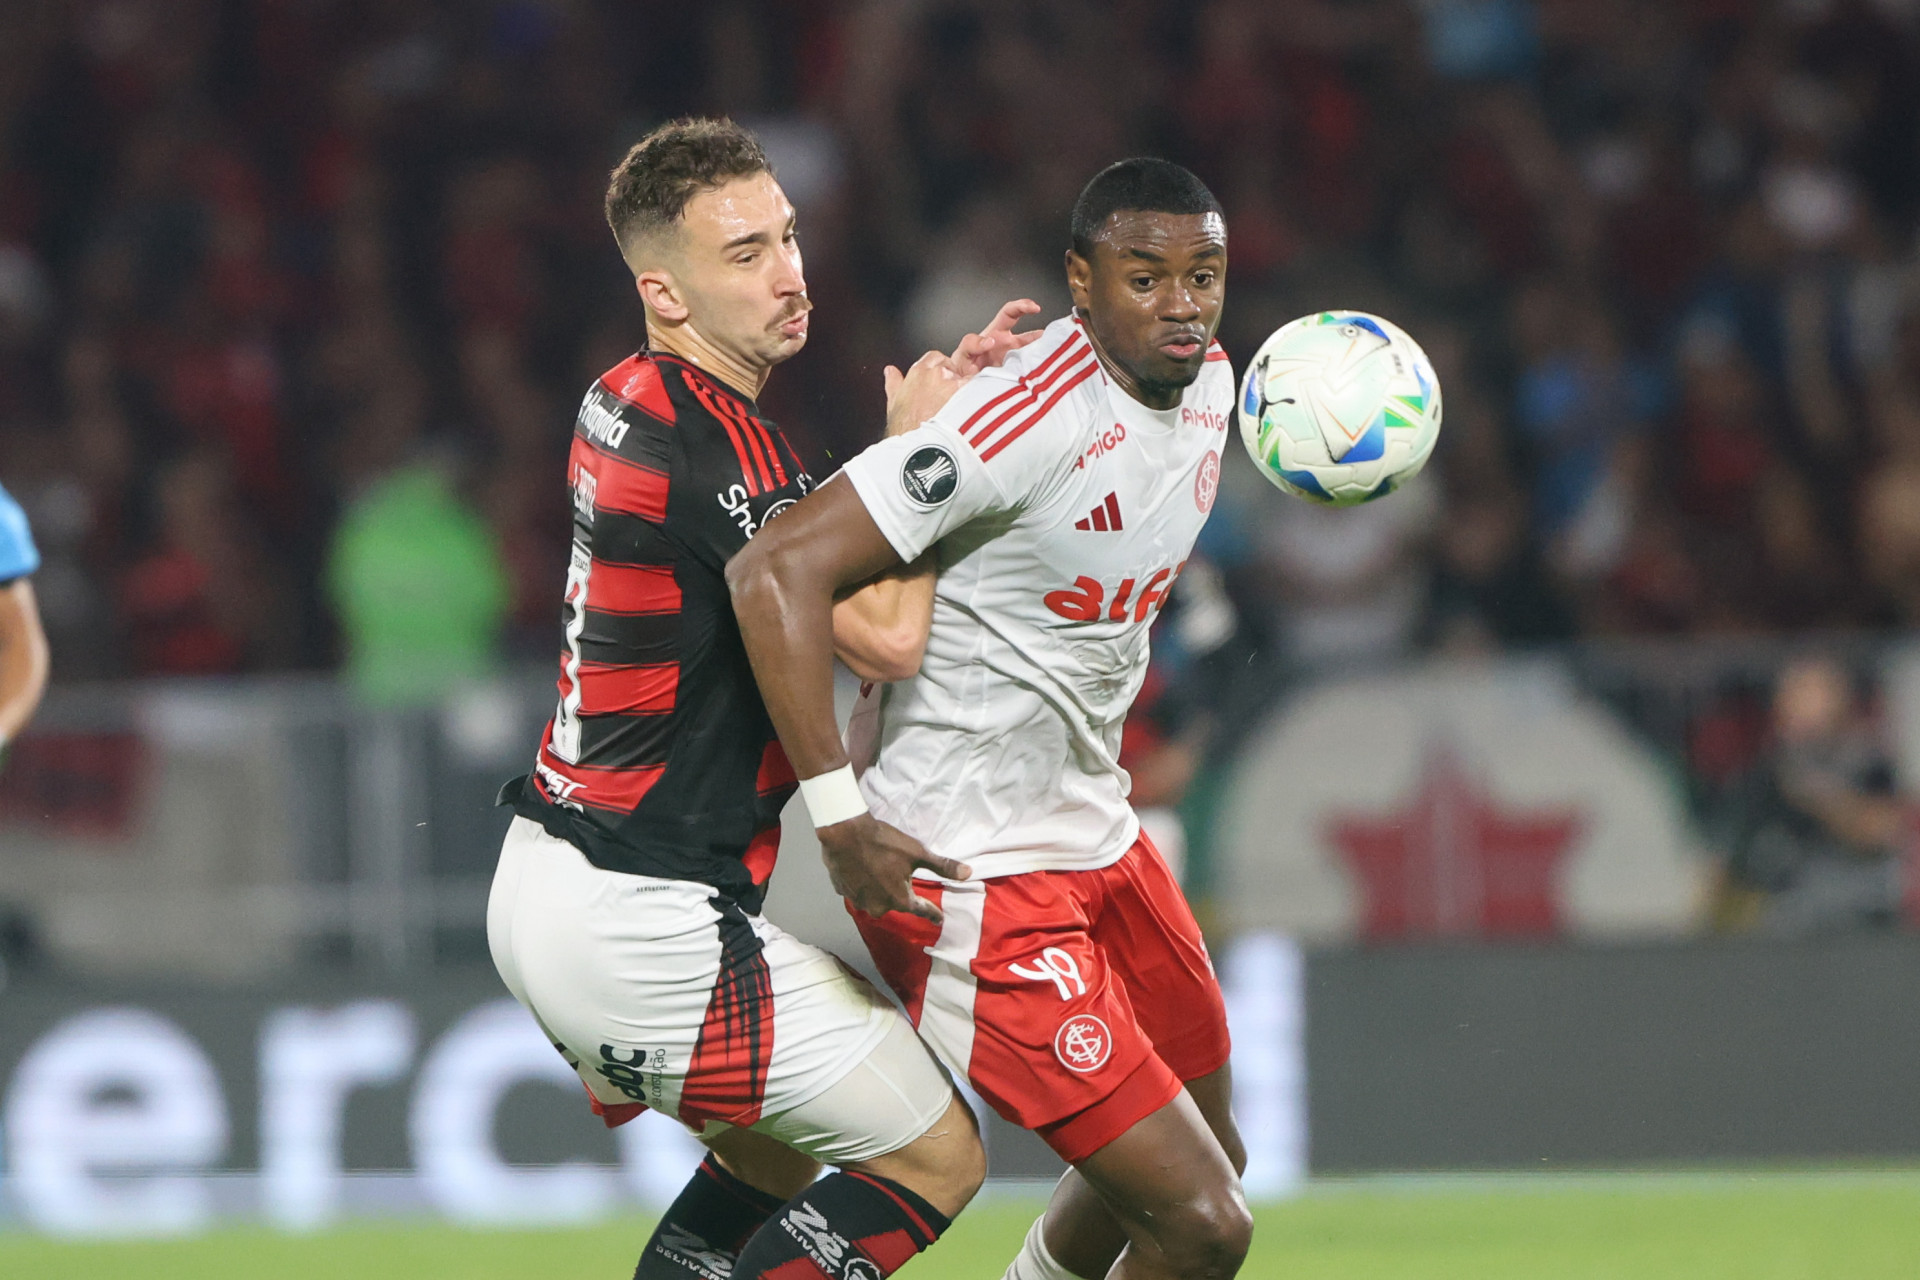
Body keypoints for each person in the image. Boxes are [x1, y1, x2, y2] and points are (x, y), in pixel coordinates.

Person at [486, 117, 1038, 1280]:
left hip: (552, 883)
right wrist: (923, 458)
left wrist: (900, 458)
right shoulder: (715, 446)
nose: (790, 272)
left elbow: (786, 526)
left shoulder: (624, 396)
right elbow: (884, 636)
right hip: (636, 918)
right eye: (745, 255)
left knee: (782, 1149)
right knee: (938, 1156)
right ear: (665, 291)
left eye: (788, 237)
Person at [728, 159, 1251, 1280]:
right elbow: (774, 571)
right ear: (1080, 280)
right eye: (1145, 276)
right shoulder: (1014, 419)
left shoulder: (1217, 386)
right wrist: (840, 816)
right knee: (1203, 1221)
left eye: (1202, 274)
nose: (1182, 303)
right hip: (963, 866)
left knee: (1212, 1161)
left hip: (1094, 833)